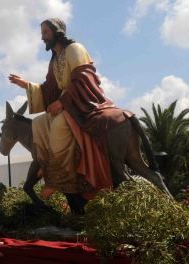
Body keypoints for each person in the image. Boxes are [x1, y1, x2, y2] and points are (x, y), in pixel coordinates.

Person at [8, 18, 128, 212]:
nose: (42, 37)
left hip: (81, 103)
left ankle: (59, 178)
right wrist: (26, 85)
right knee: (39, 123)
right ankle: (48, 170)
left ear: (57, 32)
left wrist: (62, 102)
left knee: (58, 126)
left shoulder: (75, 49)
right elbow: (49, 88)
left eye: (45, 32)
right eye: (42, 33)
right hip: (65, 104)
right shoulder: (55, 60)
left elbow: (83, 78)